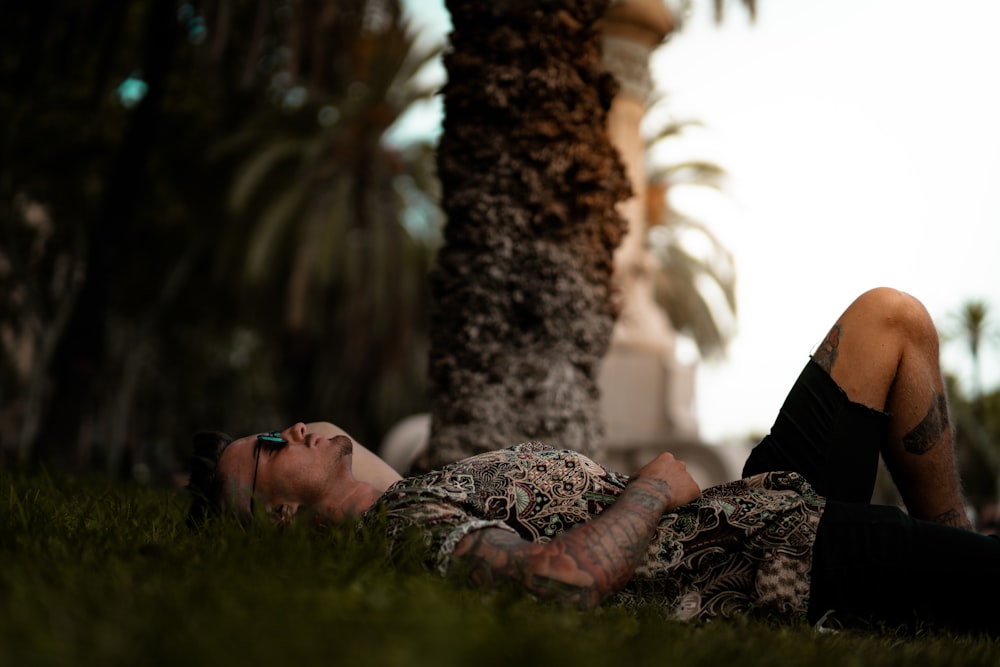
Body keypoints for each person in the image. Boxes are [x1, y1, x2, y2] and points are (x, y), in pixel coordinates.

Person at [187, 287, 1000, 634]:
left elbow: (329, 438)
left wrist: (291, 459)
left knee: (890, 320)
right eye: (265, 446)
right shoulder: (406, 529)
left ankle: (953, 544)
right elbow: (561, 580)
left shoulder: (397, 496)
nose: (287, 428)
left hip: (760, 499)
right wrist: (649, 486)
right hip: (776, 558)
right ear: (283, 515)